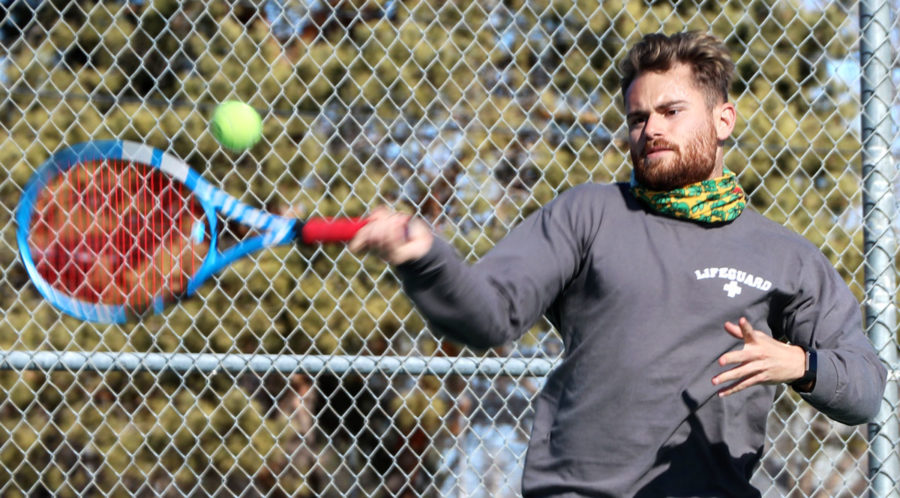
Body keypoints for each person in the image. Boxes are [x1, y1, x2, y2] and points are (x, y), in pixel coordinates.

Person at [349, 31, 887, 497]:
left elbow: (864, 386)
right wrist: (424, 258)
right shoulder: (588, 214)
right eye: (637, 117)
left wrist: (800, 363)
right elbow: (487, 315)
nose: (650, 128)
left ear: (723, 119)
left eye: (671, 111)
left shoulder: (785, 256)